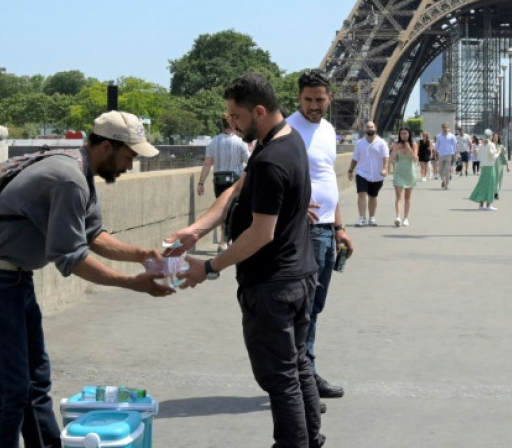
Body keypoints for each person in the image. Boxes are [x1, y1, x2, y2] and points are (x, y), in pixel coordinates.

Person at [0, 111, 173, 447]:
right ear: (106, 146)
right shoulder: (69, 179)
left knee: (34, 384)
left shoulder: (79, 170)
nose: (130, 166)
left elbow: (92, 235)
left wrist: (142, 256)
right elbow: (71, 256)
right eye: (129, 157)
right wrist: (131, 283)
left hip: (13, 279)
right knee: (10, 388)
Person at [166, 72, 326, 448]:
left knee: (279, 378)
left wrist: (207, 267)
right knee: (297, 366)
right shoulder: (287, 141)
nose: (232, 126)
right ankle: (311, 439)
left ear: (257, 110)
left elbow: (260, 233)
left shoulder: (270, 160)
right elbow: (239, 187)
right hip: (300, 275)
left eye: (236, 117)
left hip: (274, 286)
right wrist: (198, 230)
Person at [286, 69, 353, 400]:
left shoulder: (328, 129)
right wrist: (295, 208)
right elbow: (264, 178)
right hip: (302, 231)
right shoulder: (286, 130)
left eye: (320, 99)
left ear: (329, 98)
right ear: (298, 98)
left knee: (316, 306)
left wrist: (339, 226)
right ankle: (301, 379)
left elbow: (329, 182)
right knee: (303, 306)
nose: (314, 105)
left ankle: (306, 371)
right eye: (308, 99)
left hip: (327, 229)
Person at [198, 113, 250, 251]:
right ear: (234, 124)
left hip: (219, 181)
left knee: (223, 210)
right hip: (235, 181)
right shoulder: (240, 143)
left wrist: (201, 183)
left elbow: (207, 165)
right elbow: (250, 163)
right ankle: (225, 241)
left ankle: (224, 240)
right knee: (232, 210)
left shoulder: (213, 142)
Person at [349, 120, 389, 227]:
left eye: (372, 127)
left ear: (375, 128)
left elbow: (386, 157)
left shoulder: (382, 143)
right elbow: (355, 158)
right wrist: (350, 170)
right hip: (362, 173)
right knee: (361, 194)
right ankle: (361, 217)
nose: (370, 129)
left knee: (373, 196)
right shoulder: (359, 143)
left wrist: (385, 169)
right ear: (365, 129)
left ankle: (372, 217)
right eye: (368, 127)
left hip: (377, 175)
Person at [390, 127, 419, 226]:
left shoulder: (414, 144)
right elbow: (392, 159)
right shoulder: (396, 145)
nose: (403, 135)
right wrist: (396, 150)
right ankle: (398, 217)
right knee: (398, 196)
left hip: (409, 172)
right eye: (402, 133)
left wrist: (409, 149)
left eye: (405, 133)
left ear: (409, 134)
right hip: (399, 172)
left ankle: (406, 218)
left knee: (407, 197)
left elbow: (415, 159)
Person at [468, 131, 500, 210]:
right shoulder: (491, 144)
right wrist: (498, 153)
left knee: (482, 185)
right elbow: (492, 156)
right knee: (490, 185)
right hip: (490, 167)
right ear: (491, 137)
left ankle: (481, 204)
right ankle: (488, 205)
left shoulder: (481, 145)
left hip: (483, 166)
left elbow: (478, 157)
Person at [434, 123, 458, 189]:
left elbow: (454, 145)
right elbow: (437, 145)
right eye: (444, 127)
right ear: (442, 128)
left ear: (448, 128)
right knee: (440, 170)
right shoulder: (439, 136)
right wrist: (435, 153)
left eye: (446, 127)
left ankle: (446, 184)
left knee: (447, 170)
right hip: (441, 154)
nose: (445, 129)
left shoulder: (452, 136)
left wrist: (455, 154)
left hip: (449, 154)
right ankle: (443, 180)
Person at [493, 133, 510, 200]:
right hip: (492, 165)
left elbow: (504, 156)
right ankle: (494, 193)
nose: (495, 138)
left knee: (499, 179)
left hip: (499, 165)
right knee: (493, 179)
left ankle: (496, 193)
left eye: (497, 137)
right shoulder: (490, 145)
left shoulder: (501, 146)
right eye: (494, 137)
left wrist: (507, 165)